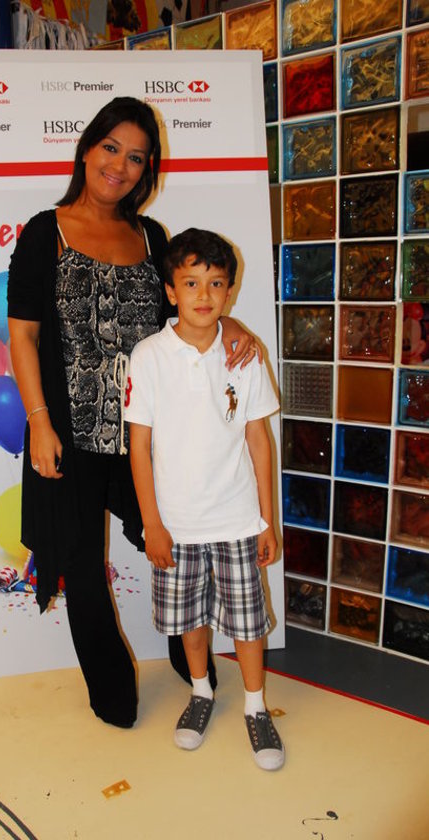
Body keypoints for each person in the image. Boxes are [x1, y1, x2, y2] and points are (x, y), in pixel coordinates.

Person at [7, 97, 257, 730]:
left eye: (136, 157)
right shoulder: (45, 232)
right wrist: (38, 420)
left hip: (151, 430)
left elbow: (185, 316)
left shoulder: (151, 237)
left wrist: (230, 327)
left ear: (147, 170)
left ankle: (189, 662)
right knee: (81, 560)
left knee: (171, 539)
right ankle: (112, 689)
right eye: (111, 148)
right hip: (69, 432)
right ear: (87, 150)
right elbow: (24, 336)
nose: (119, 165)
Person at [126, 228, 285, 770]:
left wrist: (266, 520)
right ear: (171, 290)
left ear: (229, 292)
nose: (204, 294)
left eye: (216, 283)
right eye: (191, 282)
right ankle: (201, 692)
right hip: (176, 525)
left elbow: (258, 440)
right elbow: (139, 447)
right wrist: (152, 523)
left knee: (247, 623)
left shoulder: (245, 355)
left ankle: (256, 707)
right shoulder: (148, 356)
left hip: (237, 520)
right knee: (190, 621)